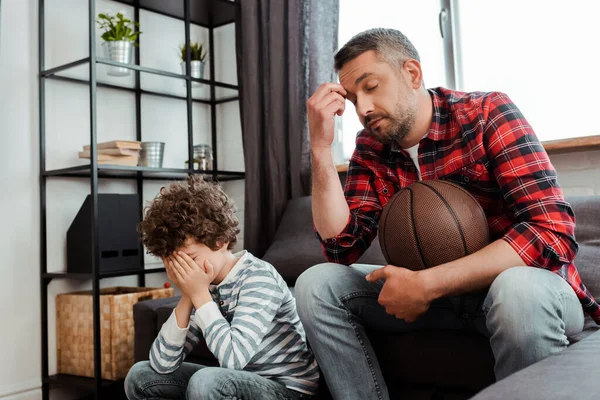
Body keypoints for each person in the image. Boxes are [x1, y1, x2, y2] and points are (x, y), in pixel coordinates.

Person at [296, 28, 599, 400]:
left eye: (371, 86)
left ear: (412, 74)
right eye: (354, 98)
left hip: (524, 292)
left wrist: (428, 283)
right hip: (441, 304)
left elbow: (552, 232)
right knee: (317, 284)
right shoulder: (371, 148)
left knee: (517, 289)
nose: (363, 109)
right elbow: (341, 249)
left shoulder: (486, 113)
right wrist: (320, 148)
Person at [125, 176, 319, 400]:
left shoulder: (258, 277)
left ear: (220, 240)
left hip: (288, 390)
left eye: (190, 259)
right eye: (175, 265)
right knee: (140, 375)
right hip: (238, 383)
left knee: (206, 382)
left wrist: (199, 294)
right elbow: (162, 364)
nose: (184, 271)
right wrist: (188, 295)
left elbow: (233, 360)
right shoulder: (204, 286)